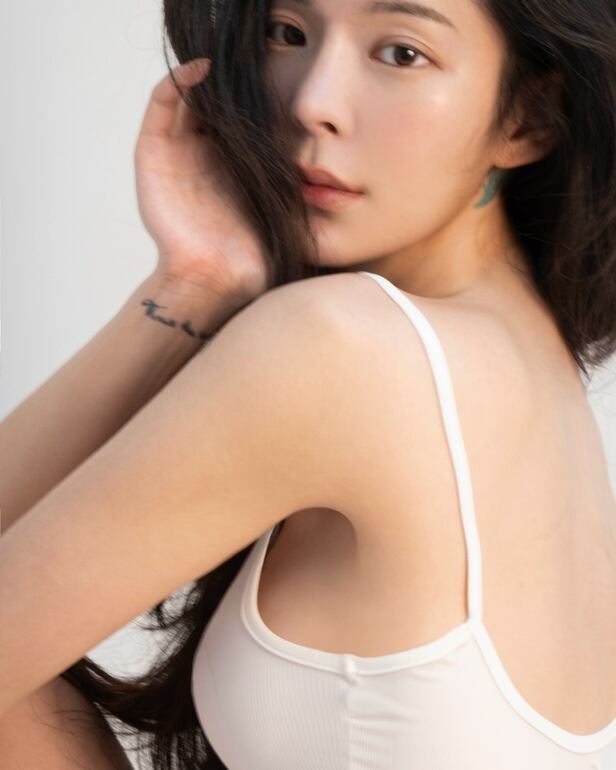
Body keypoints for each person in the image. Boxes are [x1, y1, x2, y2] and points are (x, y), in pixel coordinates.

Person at [1, 0, 616, 767]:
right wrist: (196, 280)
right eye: (287, 33)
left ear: (527, 118)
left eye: (400, 53)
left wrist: (191, 288)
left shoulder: (345, 346)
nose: (311, 102)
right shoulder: (534, 362)